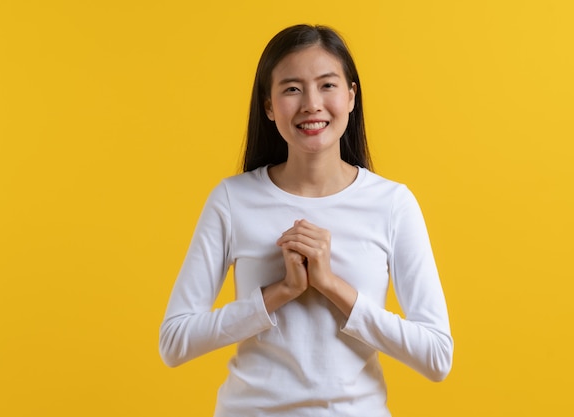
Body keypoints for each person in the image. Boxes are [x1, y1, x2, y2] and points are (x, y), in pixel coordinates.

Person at [159, 24, 453, 416]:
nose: (311, 104)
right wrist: (279, 292)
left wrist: (331, 286)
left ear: (351, 97)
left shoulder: (392, 203)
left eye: (327, 85)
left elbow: (436, 356)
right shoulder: (232, 199)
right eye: (292, 89)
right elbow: (174, 342)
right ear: (268, 106)